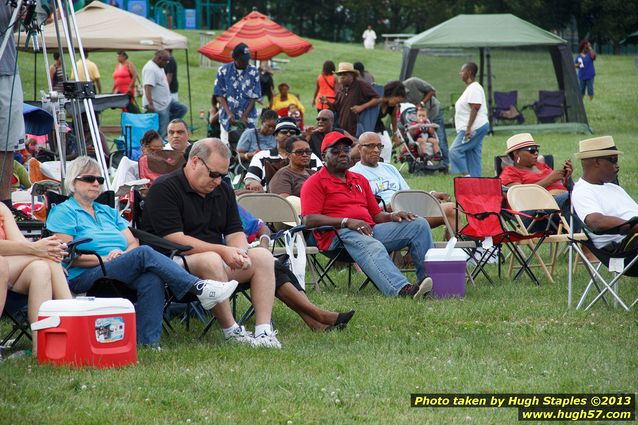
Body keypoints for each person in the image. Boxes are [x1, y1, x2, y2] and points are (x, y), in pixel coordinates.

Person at [47, 156, 237, 347]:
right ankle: (198, 288)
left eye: (100, 180)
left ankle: (148, 344)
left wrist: (122, 256)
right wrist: (106, 259)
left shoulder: (107, 211)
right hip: (83, 277)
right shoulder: (64, 212)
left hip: (118, 268)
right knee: (144, 253)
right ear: (73, 181)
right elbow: (68, 255)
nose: (96, 183)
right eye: (89, 179)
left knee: (151, 279)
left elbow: (132, 242)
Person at [142, 139, 283, 348]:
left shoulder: (223, 190)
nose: (218, 181)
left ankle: (263, 332)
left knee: (262, 256)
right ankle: (231, 331)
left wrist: (240, 252)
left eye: (223, 176)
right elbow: (174, 238)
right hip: (172, 264)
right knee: (212, 260)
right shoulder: (164, 188)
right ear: (194, 162)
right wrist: (223, 251)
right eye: (214, 174)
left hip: (216, 259)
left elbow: (235, 231)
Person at [301, 131, 434, 298]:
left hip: (368, 230)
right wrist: (346, 221)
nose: (342, 153)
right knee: (372, 244)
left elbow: (376, 215)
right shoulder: (314, 182)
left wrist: (393, 216)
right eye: (335, 150)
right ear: (323, 155)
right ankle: (402, 290)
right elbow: (308, 220)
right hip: (337, 237)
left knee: (418, 224)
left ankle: (430, 283)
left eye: (346, 149)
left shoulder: (359, 179)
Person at [238, 205, 355, 331]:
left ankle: (317, 322)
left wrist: (264, 244)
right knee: (272, 266)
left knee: (274, 266)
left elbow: (261, 227)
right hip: (225, 265)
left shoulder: (227, 203)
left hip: (243, 260)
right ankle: (318, 315)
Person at [0, 202, 73, 356]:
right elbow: (27, 247)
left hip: (12, 266)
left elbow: (19, 242)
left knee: (41, 268)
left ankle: (41, 348)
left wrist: (44, 249)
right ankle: (74, 323)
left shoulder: (1, 208)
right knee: (45, 258)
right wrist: (37, 249)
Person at [351, 132, 456, 237]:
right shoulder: (354, 174)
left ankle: (459, 251)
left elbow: (408, 193)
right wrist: (388, 208)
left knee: (451, 209)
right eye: (370, 146)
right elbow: (362, 209)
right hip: (386, 217)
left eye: (379, 146)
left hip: (408, 210)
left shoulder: (389, 168)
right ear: (359, 148)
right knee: (415, 221)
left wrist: (431, 194)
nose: (376, 150)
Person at [572, 136, 638, 267]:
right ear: (596, 162)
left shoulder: (614, 188)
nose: (617, 165)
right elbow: (597, 222)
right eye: (613, 160)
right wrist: (633, 226)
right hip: (623, 251)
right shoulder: (583, 191)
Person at [500, 133, 573, 214]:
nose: (536, 153)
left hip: (562, 201)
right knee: (574, 198)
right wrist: (550, 179)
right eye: (531, 150)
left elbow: (562, 185)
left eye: (536, 149)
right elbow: (518, 195)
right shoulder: (510, 172)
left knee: (583, 193)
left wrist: (567, 179)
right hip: (538, 211)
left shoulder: (541, 166)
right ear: (516, 153)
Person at [244, 118, 321, 192]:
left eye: (292, 133)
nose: (288, 134)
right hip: (268, 198)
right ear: (275, 135)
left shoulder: (310, 156)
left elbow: (322, 176)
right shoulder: (262, 156)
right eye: (284, 132)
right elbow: (250, 177)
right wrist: (253, 183)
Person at [0, 3, 25, 202]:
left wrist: (19, 15)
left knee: (7, 142)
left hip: (7, 68)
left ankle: (5, 203)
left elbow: (8, 28)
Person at [213, 43, 261, 145]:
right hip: (227, 118)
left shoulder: (254, 71)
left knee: (249, 145)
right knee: (226, 147)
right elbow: (219, 94)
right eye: (243, 60)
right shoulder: (223, 70)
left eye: (248, 59)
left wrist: (244, 116)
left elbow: (254, 96)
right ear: (235, 58)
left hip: (248, 118)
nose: (246, 62)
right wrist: (229, 113)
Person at [449, 62, 489, 177]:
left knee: (454, 151)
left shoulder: (474, 88)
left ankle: (467, 177)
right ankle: (477, 182)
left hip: (473, 127)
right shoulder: (471, 88)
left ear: (469, 72)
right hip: (475, 126)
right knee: (473, 155)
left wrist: (468, 128)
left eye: (462, 71)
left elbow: (475, 107)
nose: (460, 73)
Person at [142, 50, 188, 139]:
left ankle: (168, 124)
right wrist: (150, 104)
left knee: (182, 109)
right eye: (166, 61)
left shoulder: (159, 66)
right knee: (162, 132)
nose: (167, 63)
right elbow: (147, 87)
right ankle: (160, 146)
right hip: (158, 105)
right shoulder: (150, 69)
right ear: (159, 59)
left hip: (167, 101)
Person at [402, 77, 448, 165]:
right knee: (415, 141)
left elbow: (432, 91)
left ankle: (444, 164)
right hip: (417, 120)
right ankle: (420, 162)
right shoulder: (400, 99)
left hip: (433, 111)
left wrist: (422, 103)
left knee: (440, 139)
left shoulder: (413, 82)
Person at [329, 62, 380, 136]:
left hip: (355, 128)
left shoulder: (360, 85)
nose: (342, 77)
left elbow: (377, 99)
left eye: (345, 74)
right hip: (342, 129)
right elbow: (336, 108)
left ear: (352, 75)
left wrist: (361, 107)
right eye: (340, 74)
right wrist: (327, 102)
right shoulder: (341, 88)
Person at [375, 81, 406, 162]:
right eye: (397, 100)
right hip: (368, 126)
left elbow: (394, 117)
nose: (397, 103)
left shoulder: (392, 106)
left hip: (379, 126)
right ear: (392, 95)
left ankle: (385, 167)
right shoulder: (377, 99)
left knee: (387, 145)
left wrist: (395, 134)